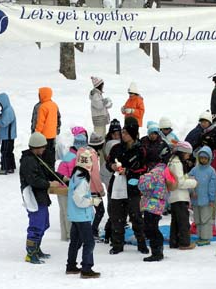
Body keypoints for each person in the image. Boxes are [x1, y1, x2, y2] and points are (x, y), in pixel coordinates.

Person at [19, 132, 66, 264]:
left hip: (41, 196)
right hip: (33, 197)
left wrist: (61, 178)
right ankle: (31, 253)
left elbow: (48, 172)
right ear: (36, 147)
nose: (44, 149)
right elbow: (33, 180)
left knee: (44, 223)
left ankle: (37, 248)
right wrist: (49, 184)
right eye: (43, 147)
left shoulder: (37, 158)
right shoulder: (28, 161)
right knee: (36, 224)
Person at [106, 117, 148, 255]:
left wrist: (128, 172)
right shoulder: (116, 148)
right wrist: (112, 166)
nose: (122, 135)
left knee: (136, 216)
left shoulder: (140, 150)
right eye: (122, 132)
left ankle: (141, 243)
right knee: (117, 216)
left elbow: (143, 169)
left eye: (126, 133)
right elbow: (108, 163)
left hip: (133, 187)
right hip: (117, 185)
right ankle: (117, 244)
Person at [65, 149, 101, 278]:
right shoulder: (83, 180)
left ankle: (71, 265)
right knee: (89, 242)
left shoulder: (76, 175)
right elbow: (79, 199)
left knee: (75, 241)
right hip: (82, 215)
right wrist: (92, 201)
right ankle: (86, 268)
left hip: (75, 215)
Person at [138, 162, 177, 262]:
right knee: (153, 227)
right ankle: (158, 250)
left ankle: (156, 252)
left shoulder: (154, 172)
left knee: (150, 228)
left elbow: (146, 187)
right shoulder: (165, 171)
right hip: (159, 203)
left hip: (151, 203)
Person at [168, 141, 198, 250]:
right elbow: (180, 182)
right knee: (183, 221)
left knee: (175, 221)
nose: (188, 156)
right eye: (187, 154)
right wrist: (193, 183)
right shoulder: (177, 164)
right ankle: (185, 243)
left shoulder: (172, 161)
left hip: (174, 196)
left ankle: (174, 242)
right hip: (179, 196)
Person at [189, 146, 216, 246]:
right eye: (201, 158)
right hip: (196, 199)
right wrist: (192, 192)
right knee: (198, 219)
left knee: (206, 219)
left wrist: (212, 199)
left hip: (207, 200)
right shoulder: (194, 170)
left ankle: (206, 237)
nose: (203, 160)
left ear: (209, 158)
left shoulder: (211, 171)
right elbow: (189, 181)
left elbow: (213, 187)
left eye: (205, 158)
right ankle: (200, 236)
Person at [34, 87, 60, 169]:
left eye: (40, 94)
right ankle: (51, 169)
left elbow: (40, 122)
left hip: (44, 136)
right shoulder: (54, 105)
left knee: (44, 156)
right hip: (52, 134)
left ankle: (45, 171)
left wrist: (36, 133)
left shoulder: (43, 107)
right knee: (51, 154)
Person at [0, 93, 17, 175]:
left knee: (5, 151)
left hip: (8, 136)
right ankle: (10, 167)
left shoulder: (8, 111)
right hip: (8, 136)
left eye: (0, 103)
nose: (0, 105)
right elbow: (4, 117)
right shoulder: (7, 110)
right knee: (9, 152)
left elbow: (4, 123)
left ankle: (5, 168)